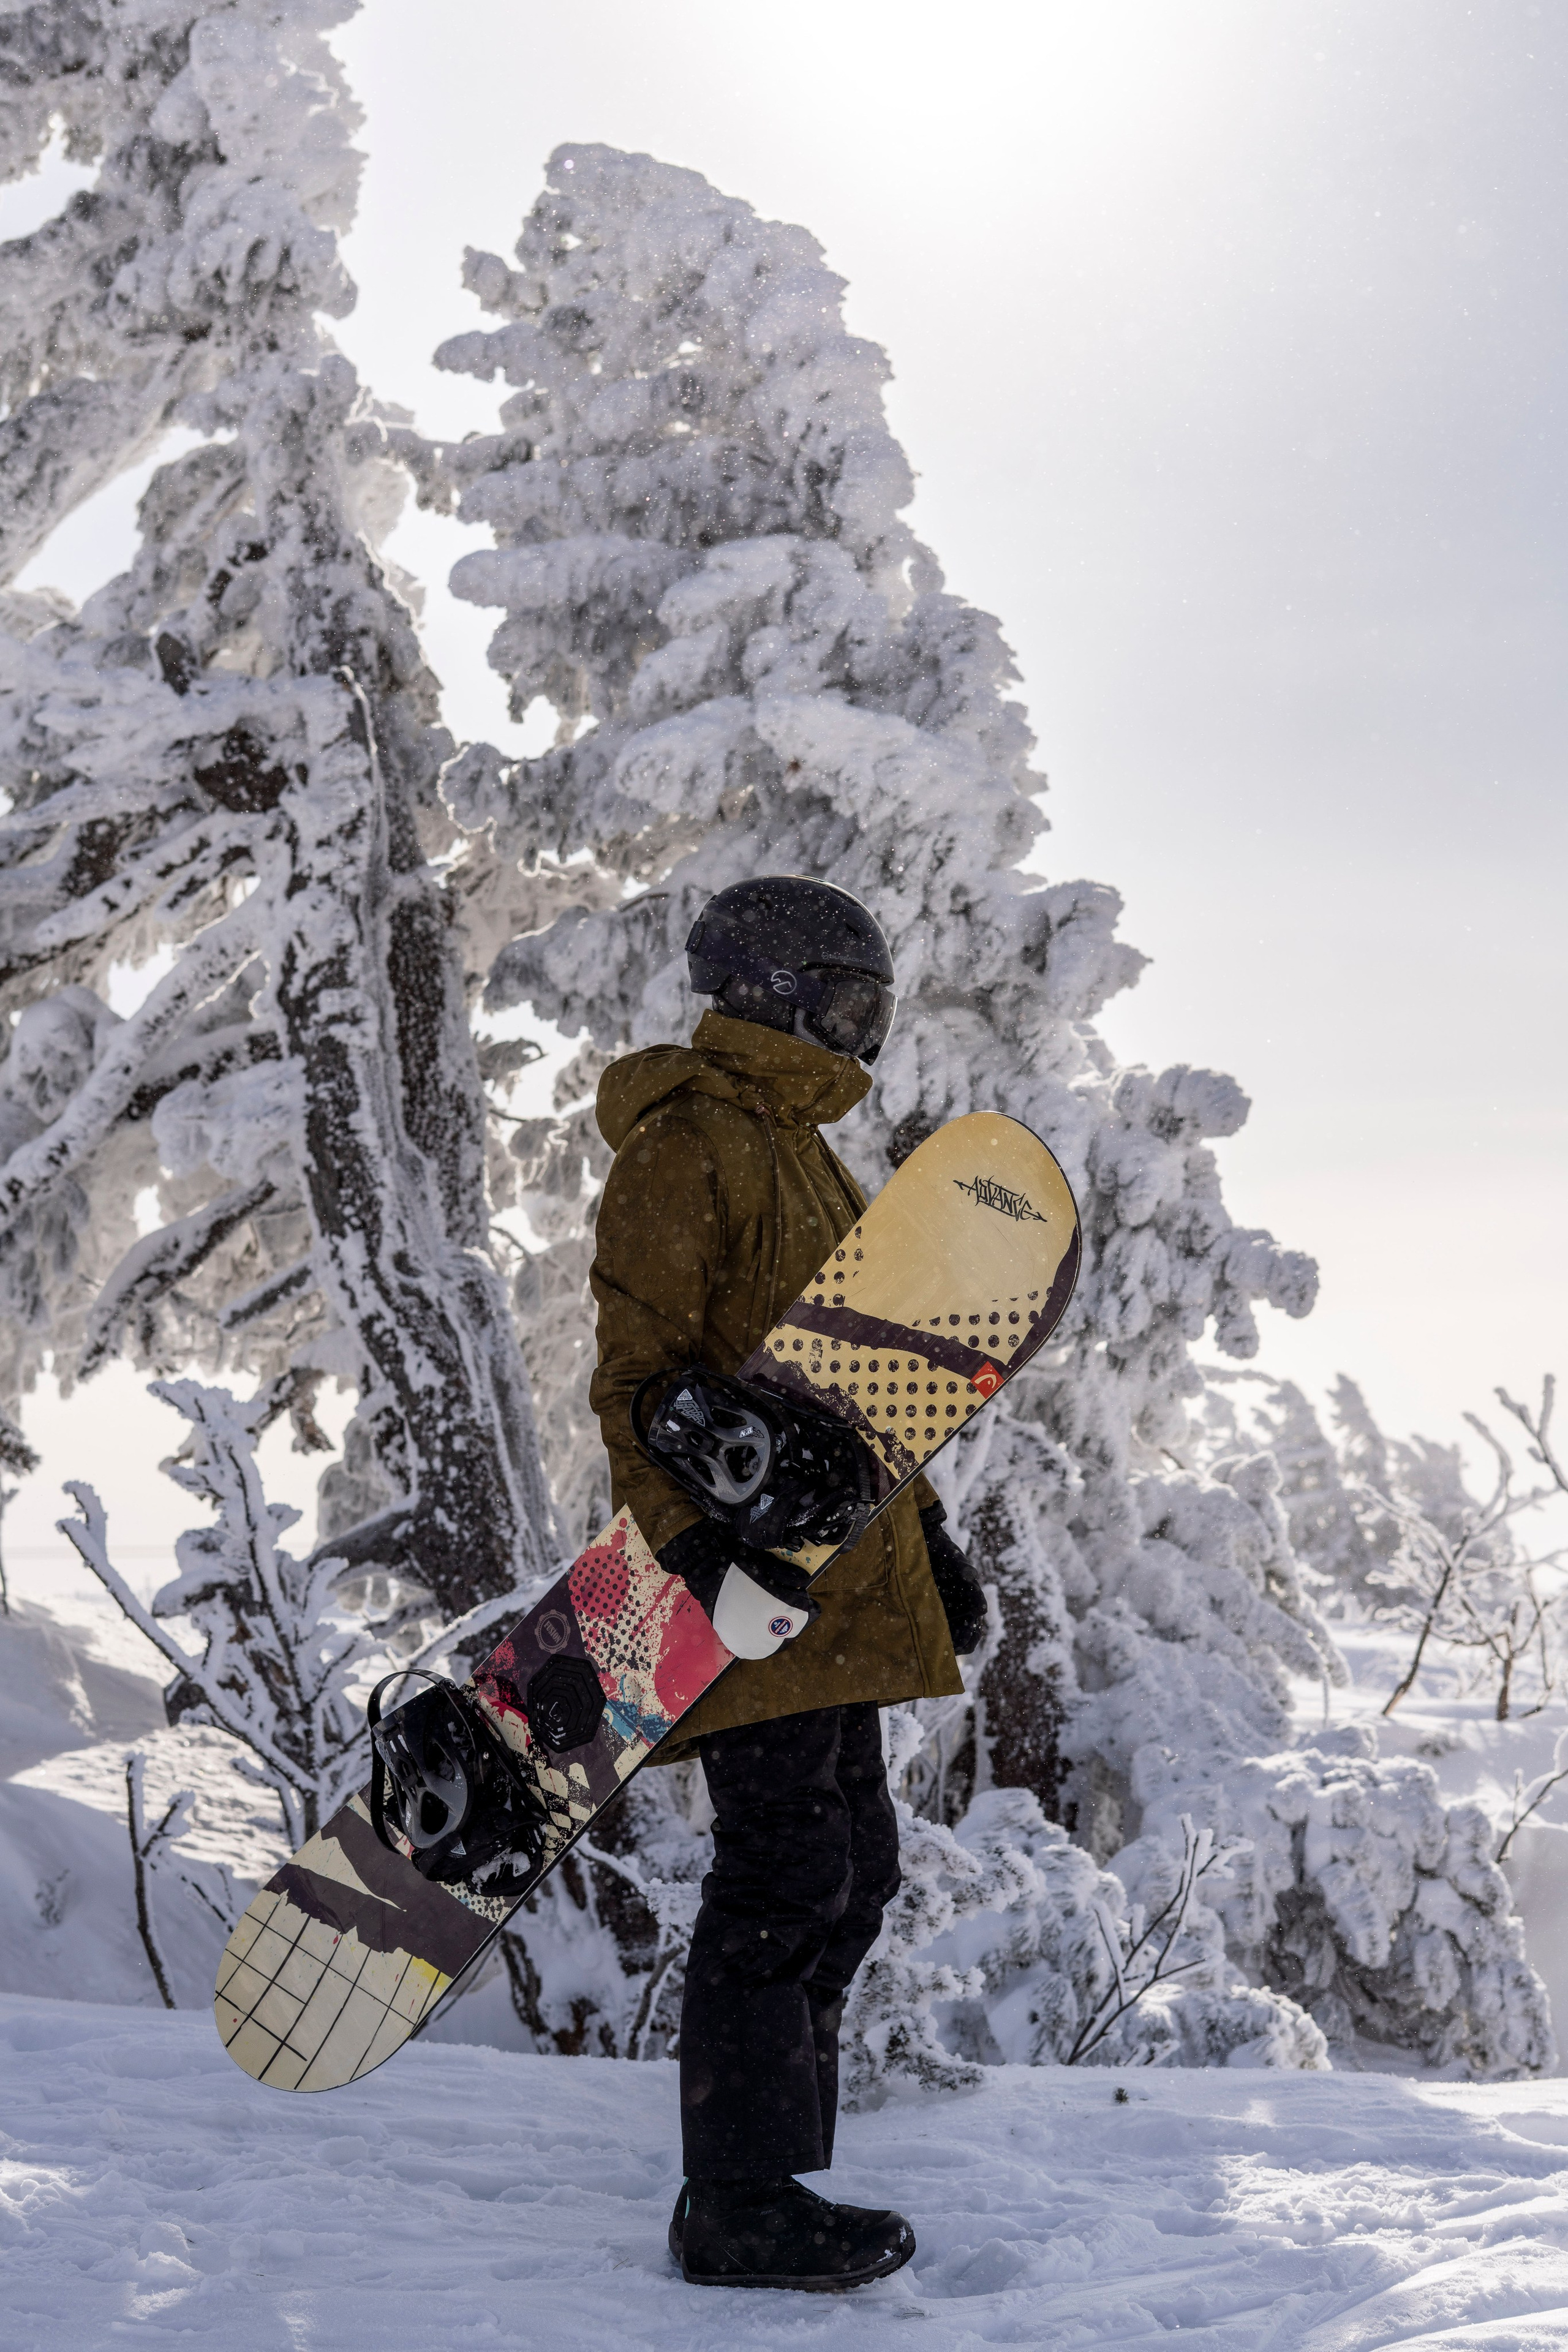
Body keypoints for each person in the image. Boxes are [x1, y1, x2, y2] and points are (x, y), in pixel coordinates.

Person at [589, 875, 989, 2292]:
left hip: (844, 1582)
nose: (860, 1030)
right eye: (841, 1000)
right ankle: (736, 2200)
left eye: (872, 1006)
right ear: (764, 988)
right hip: (741, 1582)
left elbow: (872, 1388)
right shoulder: (685, 1144)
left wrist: (928, 1540)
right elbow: (636, 1383)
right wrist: (689, 1554)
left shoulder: (812, 1154)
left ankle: (780, 2167)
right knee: (784, 1867)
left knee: (856, 1868)